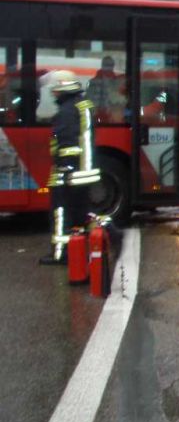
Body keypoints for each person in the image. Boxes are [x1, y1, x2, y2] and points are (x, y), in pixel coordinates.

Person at [40, 71, 101, 265]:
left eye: (56, 90)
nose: (54, 94)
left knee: (61, 212)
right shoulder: (84, 105)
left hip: (70, 172)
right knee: (80, 212)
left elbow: (66, 144)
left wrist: (63, 168)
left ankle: (61, 253)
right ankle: (82, 249)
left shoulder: (66, 111)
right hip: (85, 172)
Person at [86, 56, 126, 123]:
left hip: (111, 116)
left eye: (110, 65)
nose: (108, 68)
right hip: (97, 116)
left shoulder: (116, 82)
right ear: (102, 66)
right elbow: (90, 100)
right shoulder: (94, 82)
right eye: (106, 65)